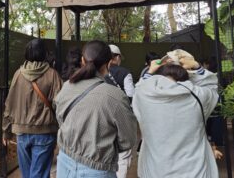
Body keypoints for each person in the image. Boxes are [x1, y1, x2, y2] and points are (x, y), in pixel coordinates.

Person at [54, 40, 137, 177]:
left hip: (64, 161)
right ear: (109, 63)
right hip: (97, 169)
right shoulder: (115, 95)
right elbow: (128, 139)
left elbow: (60, 118)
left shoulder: (67, 85)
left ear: (82, 60)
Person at [132, 49, 219, 178]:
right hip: (195, 170)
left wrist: (150, 71)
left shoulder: (143, 96)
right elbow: (212, 85)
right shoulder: (198, 96)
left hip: (156, 170)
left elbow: (139, 87)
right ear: (186, 74)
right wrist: (197, 67)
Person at [2, 39, 63, 178]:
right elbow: (61, 104)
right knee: (39, 174)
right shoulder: (52, 75)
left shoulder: (18, 74)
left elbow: (9, 105)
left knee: (28, 174)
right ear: (44, 54)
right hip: (45, 132)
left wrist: (6, 131)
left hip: (22, 133)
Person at [105, 44, 135, 178]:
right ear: (116, 57)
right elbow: (130, 96)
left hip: (103, 114)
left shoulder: (98, 71)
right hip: (121, 116)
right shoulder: (125, 72)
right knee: (123, 153)